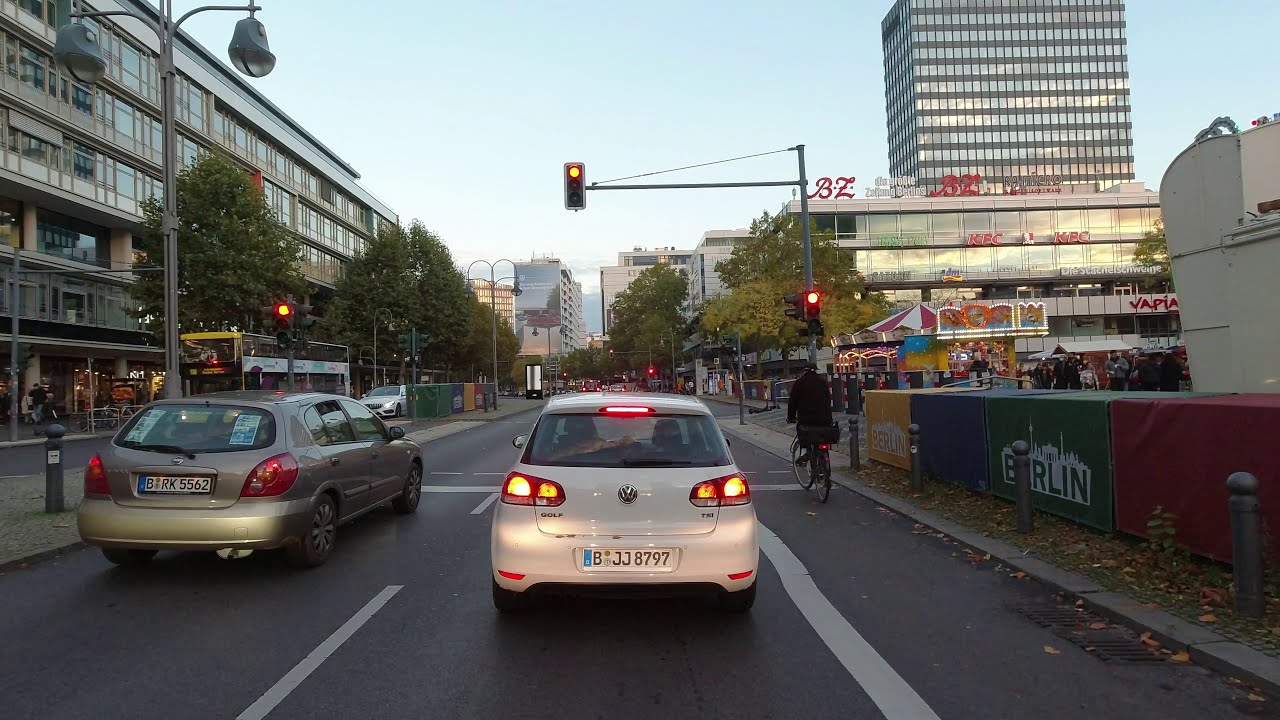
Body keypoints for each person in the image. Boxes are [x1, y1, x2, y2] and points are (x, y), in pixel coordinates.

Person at [787, 364, 832, 466]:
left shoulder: (800, 383)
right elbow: (828, 399)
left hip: (807, 419)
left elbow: (792, 402)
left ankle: (804, 452)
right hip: (825, 419)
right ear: (816, 371)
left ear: (804, 371)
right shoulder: (822, 382)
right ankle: (824, 462)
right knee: (822, 438)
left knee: (802, 432)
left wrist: (791, 417)